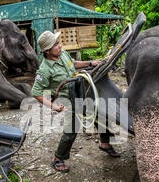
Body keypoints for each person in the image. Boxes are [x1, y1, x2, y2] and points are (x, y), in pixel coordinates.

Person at [31, 30, 120, 173]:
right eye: (56, 45)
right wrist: (53, 106)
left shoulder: (62, 54)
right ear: (47, 51)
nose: (60, 46)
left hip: (81, 91)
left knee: (100, 114)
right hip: (68, 101)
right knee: (71, 129)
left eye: (58, 43)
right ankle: (58, 158)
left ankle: (105, 143)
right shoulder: (45, 70)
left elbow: (74, 63)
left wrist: (90, 63)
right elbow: (35, 93)